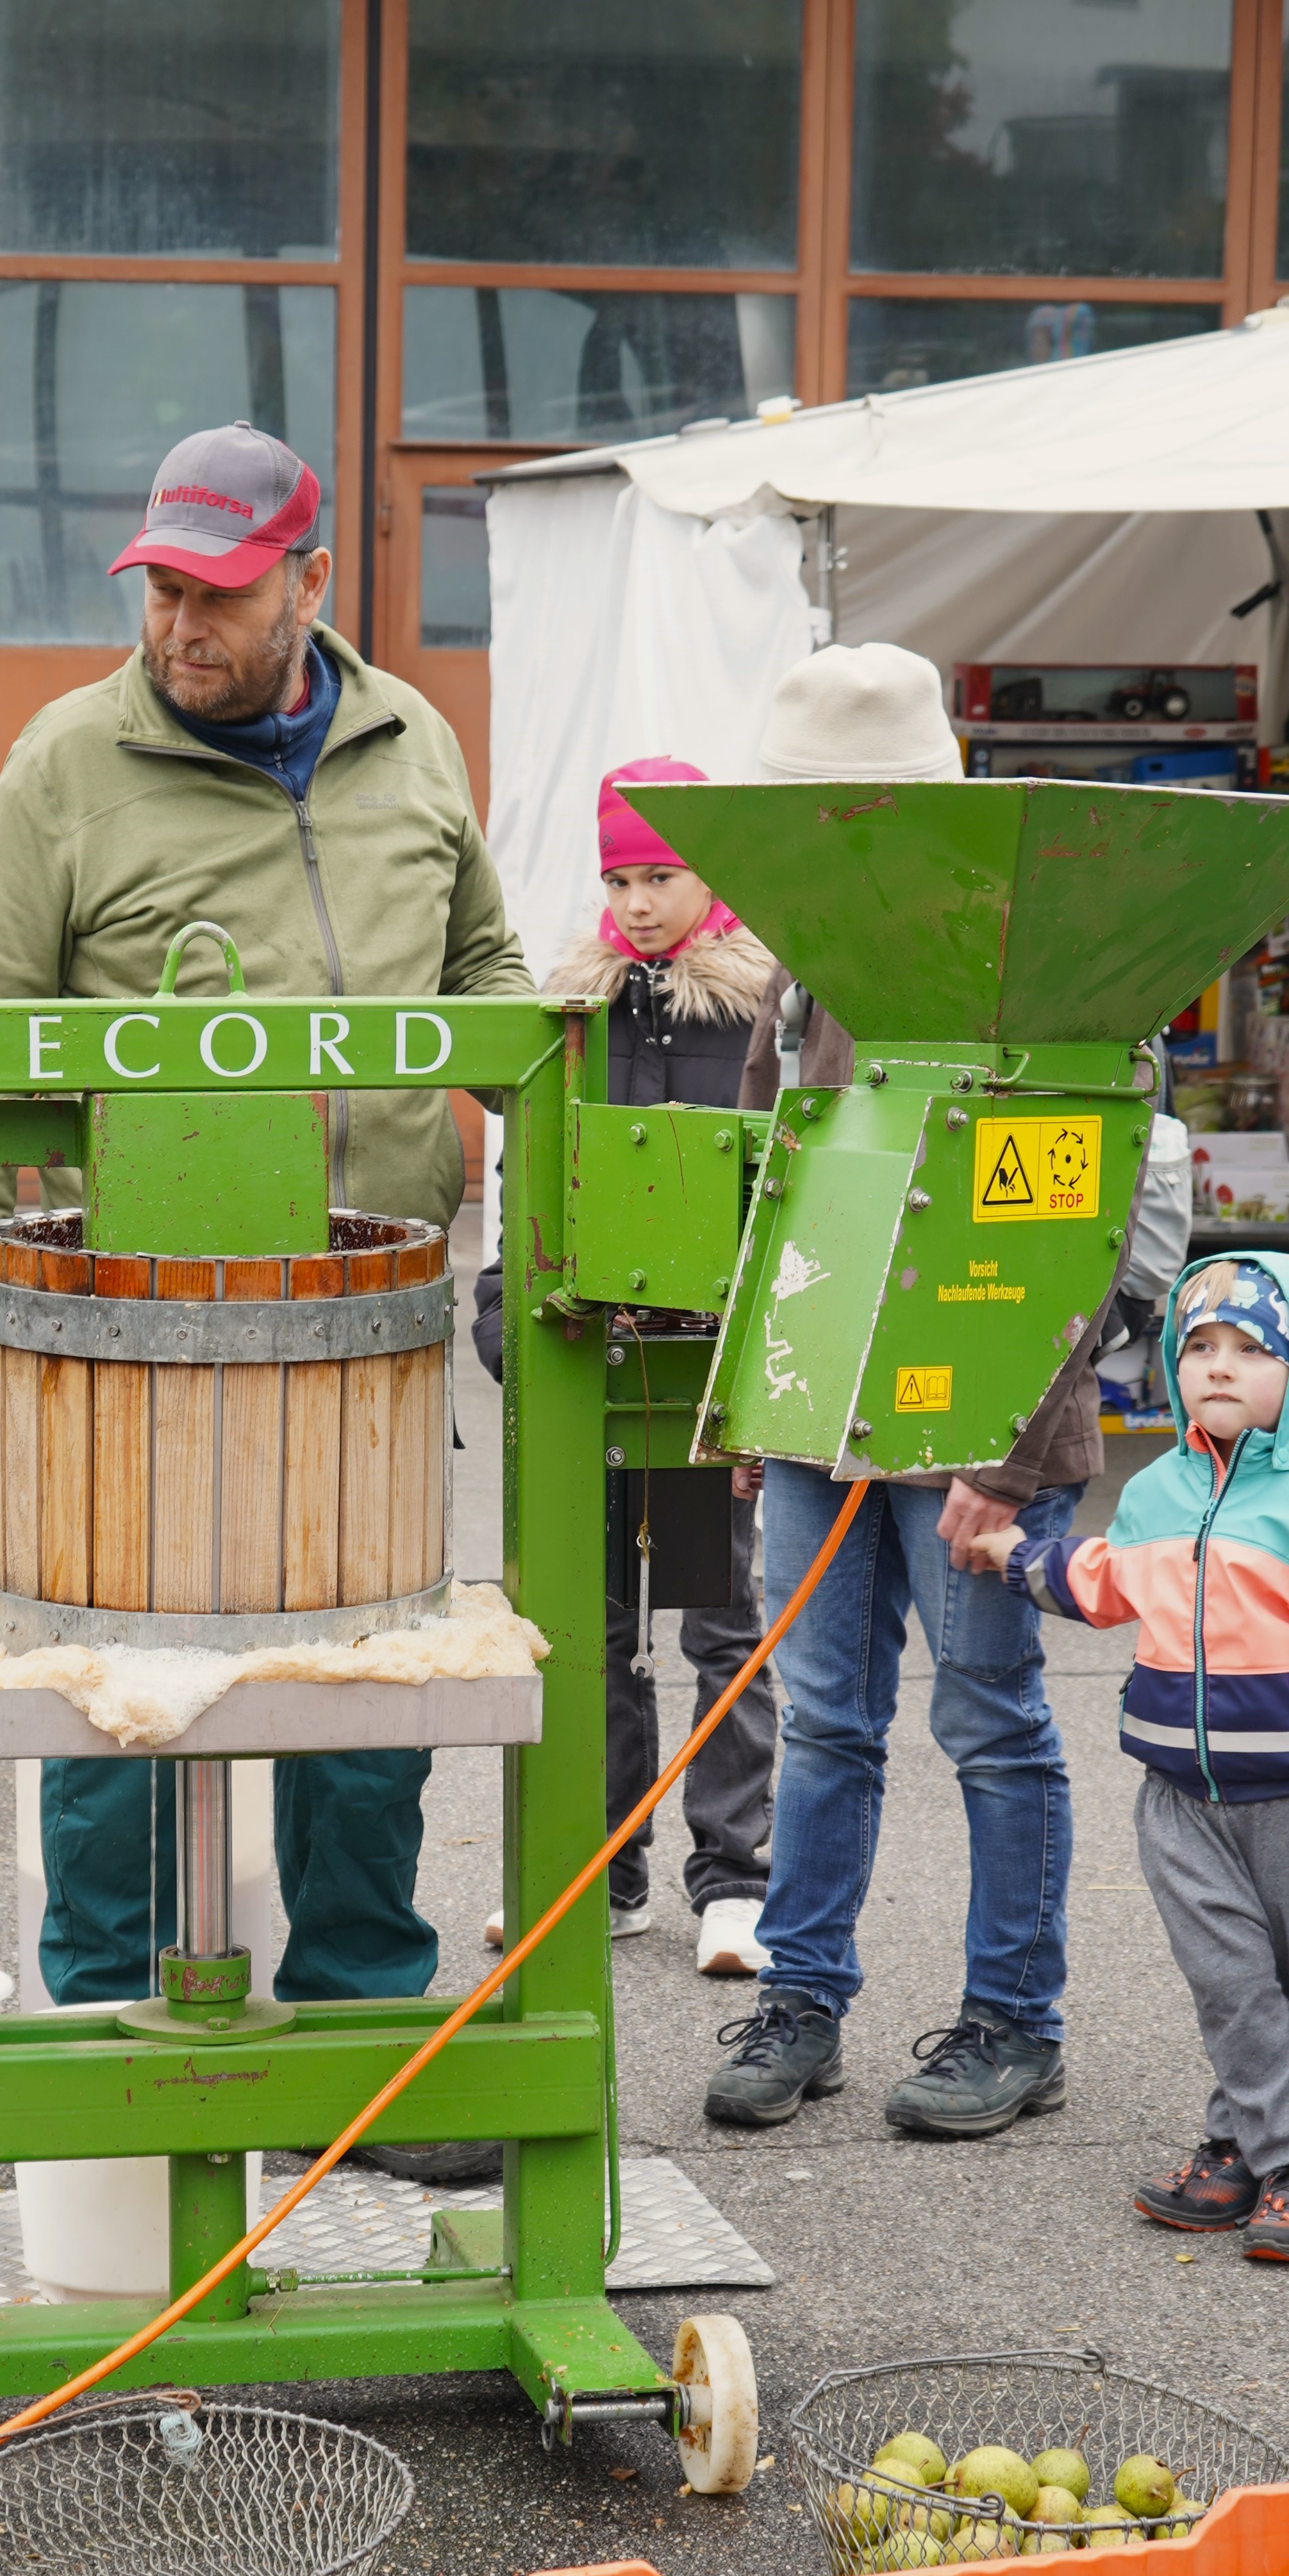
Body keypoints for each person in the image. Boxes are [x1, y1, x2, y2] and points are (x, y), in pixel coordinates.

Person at [0, 424, 531, 2147]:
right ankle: (105, 2048)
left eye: (221, 595)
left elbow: (484, 968)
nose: (182, 625)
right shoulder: (66, 765)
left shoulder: (413, 743)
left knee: (369, 1681)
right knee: (114, 1685)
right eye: (162, 591)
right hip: (139, 1339)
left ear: (310, 584)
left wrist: (549, 1137)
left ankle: (362, 2036)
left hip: (371, 1330)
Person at [705, 640, 1193, 2141]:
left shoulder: (1040, 959)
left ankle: (1014, 2022)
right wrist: (760, 1399)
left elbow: (1078, 1231)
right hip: (824, 1417)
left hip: (984, 1425)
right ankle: (800, 1997)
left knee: (987, 1721)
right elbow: (773, 1193)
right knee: (822, 1719)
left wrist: (1014, 1455)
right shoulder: (800, 971)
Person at [965, 1255, 1289, 2264]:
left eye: (1252, 1349)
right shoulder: (1157, 1495)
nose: (1218, 1366)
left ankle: (1245, 2141)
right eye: (1198, 1345)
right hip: (1177, 1796)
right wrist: (1017, 1557)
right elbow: (1104, 1582)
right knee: (1230, 1980)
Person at [470, 759, 781, 1976]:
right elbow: (526, 1178)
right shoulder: (569, 1016)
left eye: (660, 876)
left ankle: (735, 1880)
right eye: (619, 880)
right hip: (589, 1359)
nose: (639, 903)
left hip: (716, 1364)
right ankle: (603, 1872)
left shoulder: (759, 1013)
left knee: (725, 1619)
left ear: (711, 877)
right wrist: (502, 1312)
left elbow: (789, 1184)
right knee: (590, 1623)